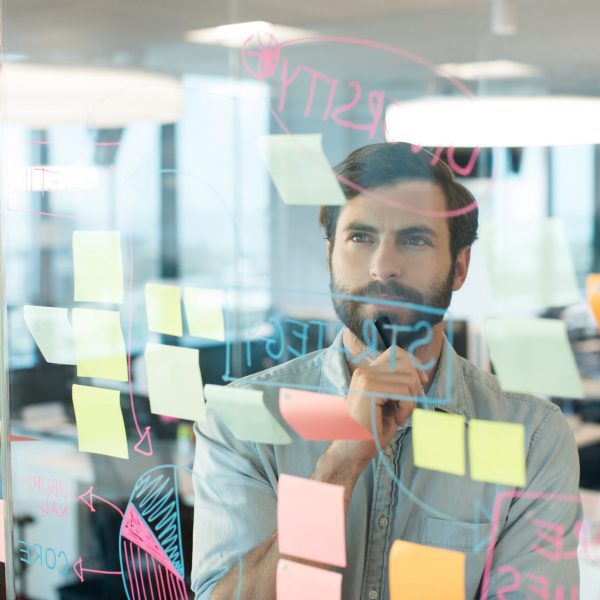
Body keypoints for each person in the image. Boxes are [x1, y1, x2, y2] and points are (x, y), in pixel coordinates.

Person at [191, 142, 581, 599]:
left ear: (459, 267)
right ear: (330, 252)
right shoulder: (244, 421)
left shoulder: (531, 438)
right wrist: (340, 464)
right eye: (361, 237)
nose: (383, 267)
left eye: (415, 239)